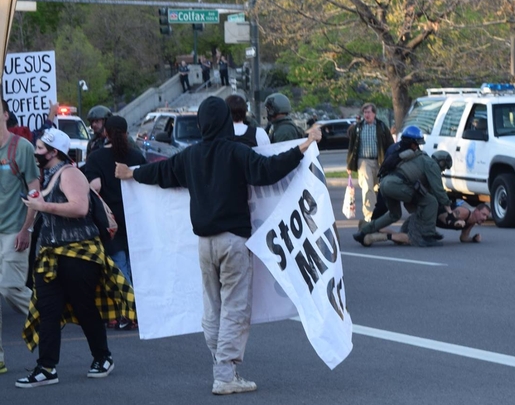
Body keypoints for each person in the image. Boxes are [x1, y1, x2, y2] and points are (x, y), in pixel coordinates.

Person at [114, 96, 322, 395]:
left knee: (213, 308)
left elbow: (161, 172)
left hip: (204, 244)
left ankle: (221, 366)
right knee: (235, 308)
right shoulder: (236, 152)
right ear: (226, 120)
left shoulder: (190, 155)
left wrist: (131, 173)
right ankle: (224, 374)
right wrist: (305, 145)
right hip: (233, 241)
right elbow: (269, 169)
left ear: (201, 123)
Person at [17, 128, 135, 388]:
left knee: (84, 307)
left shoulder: (70, 173)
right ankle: (46, 367)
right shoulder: (45, 175)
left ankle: (102, 357)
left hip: (79, 253)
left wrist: (43, 206)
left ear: (53, 152)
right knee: (48, 311)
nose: (36, 153)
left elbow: (80, 207)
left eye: (39, 149)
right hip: (51, 254)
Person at [354, 126, 453, 247]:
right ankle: (428, 235)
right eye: (444, 167)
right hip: (396, 185)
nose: (418, 147)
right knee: (431, 202)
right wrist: (449, 209)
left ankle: (364, 231)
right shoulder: (430, 164)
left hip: (386, 183)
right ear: (441, 162)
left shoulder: (404, 153)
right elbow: (438, 190)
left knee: (394, 215)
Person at [0, 97, 40, 375]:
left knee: (9, 287)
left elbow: (35, 192)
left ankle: (49, 315)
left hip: (14, 230)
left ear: (5, 115)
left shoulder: (21, 147)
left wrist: (27, 228)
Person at [84, 116, 146, 286]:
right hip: (136, 223)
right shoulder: (137, 157)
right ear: (126, 133)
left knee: (121, 276)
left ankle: (129, 310)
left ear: (106, 133)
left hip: (111, 225)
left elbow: (95, 187)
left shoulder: (96, 158)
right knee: (140, 274)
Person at [346, 103, 394, 222]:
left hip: (379, 161)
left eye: (369, 112)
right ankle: (369, 216)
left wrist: (391, 161)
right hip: (364, 162)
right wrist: (349, 165)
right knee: (367, 188)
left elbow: (390, 144)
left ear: (374, 113)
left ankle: (380, 214)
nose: (366, 115)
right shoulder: (358, 128)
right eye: (365, 112)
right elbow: (351, 146)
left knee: (380, 189)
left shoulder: (381, 127)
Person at [362, 202, 491, 246]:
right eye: (483, 214)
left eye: (486, 216)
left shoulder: (471, 222)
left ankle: (370, 227)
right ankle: (372, 237)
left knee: (401, 238)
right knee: (410, 240)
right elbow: (443, 216)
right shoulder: (464, 212)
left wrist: (473, 239)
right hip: (422, 217)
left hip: (425, 220)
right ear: (476, 211)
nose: (485, 218)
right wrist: (455, 221)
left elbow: (463, 238)